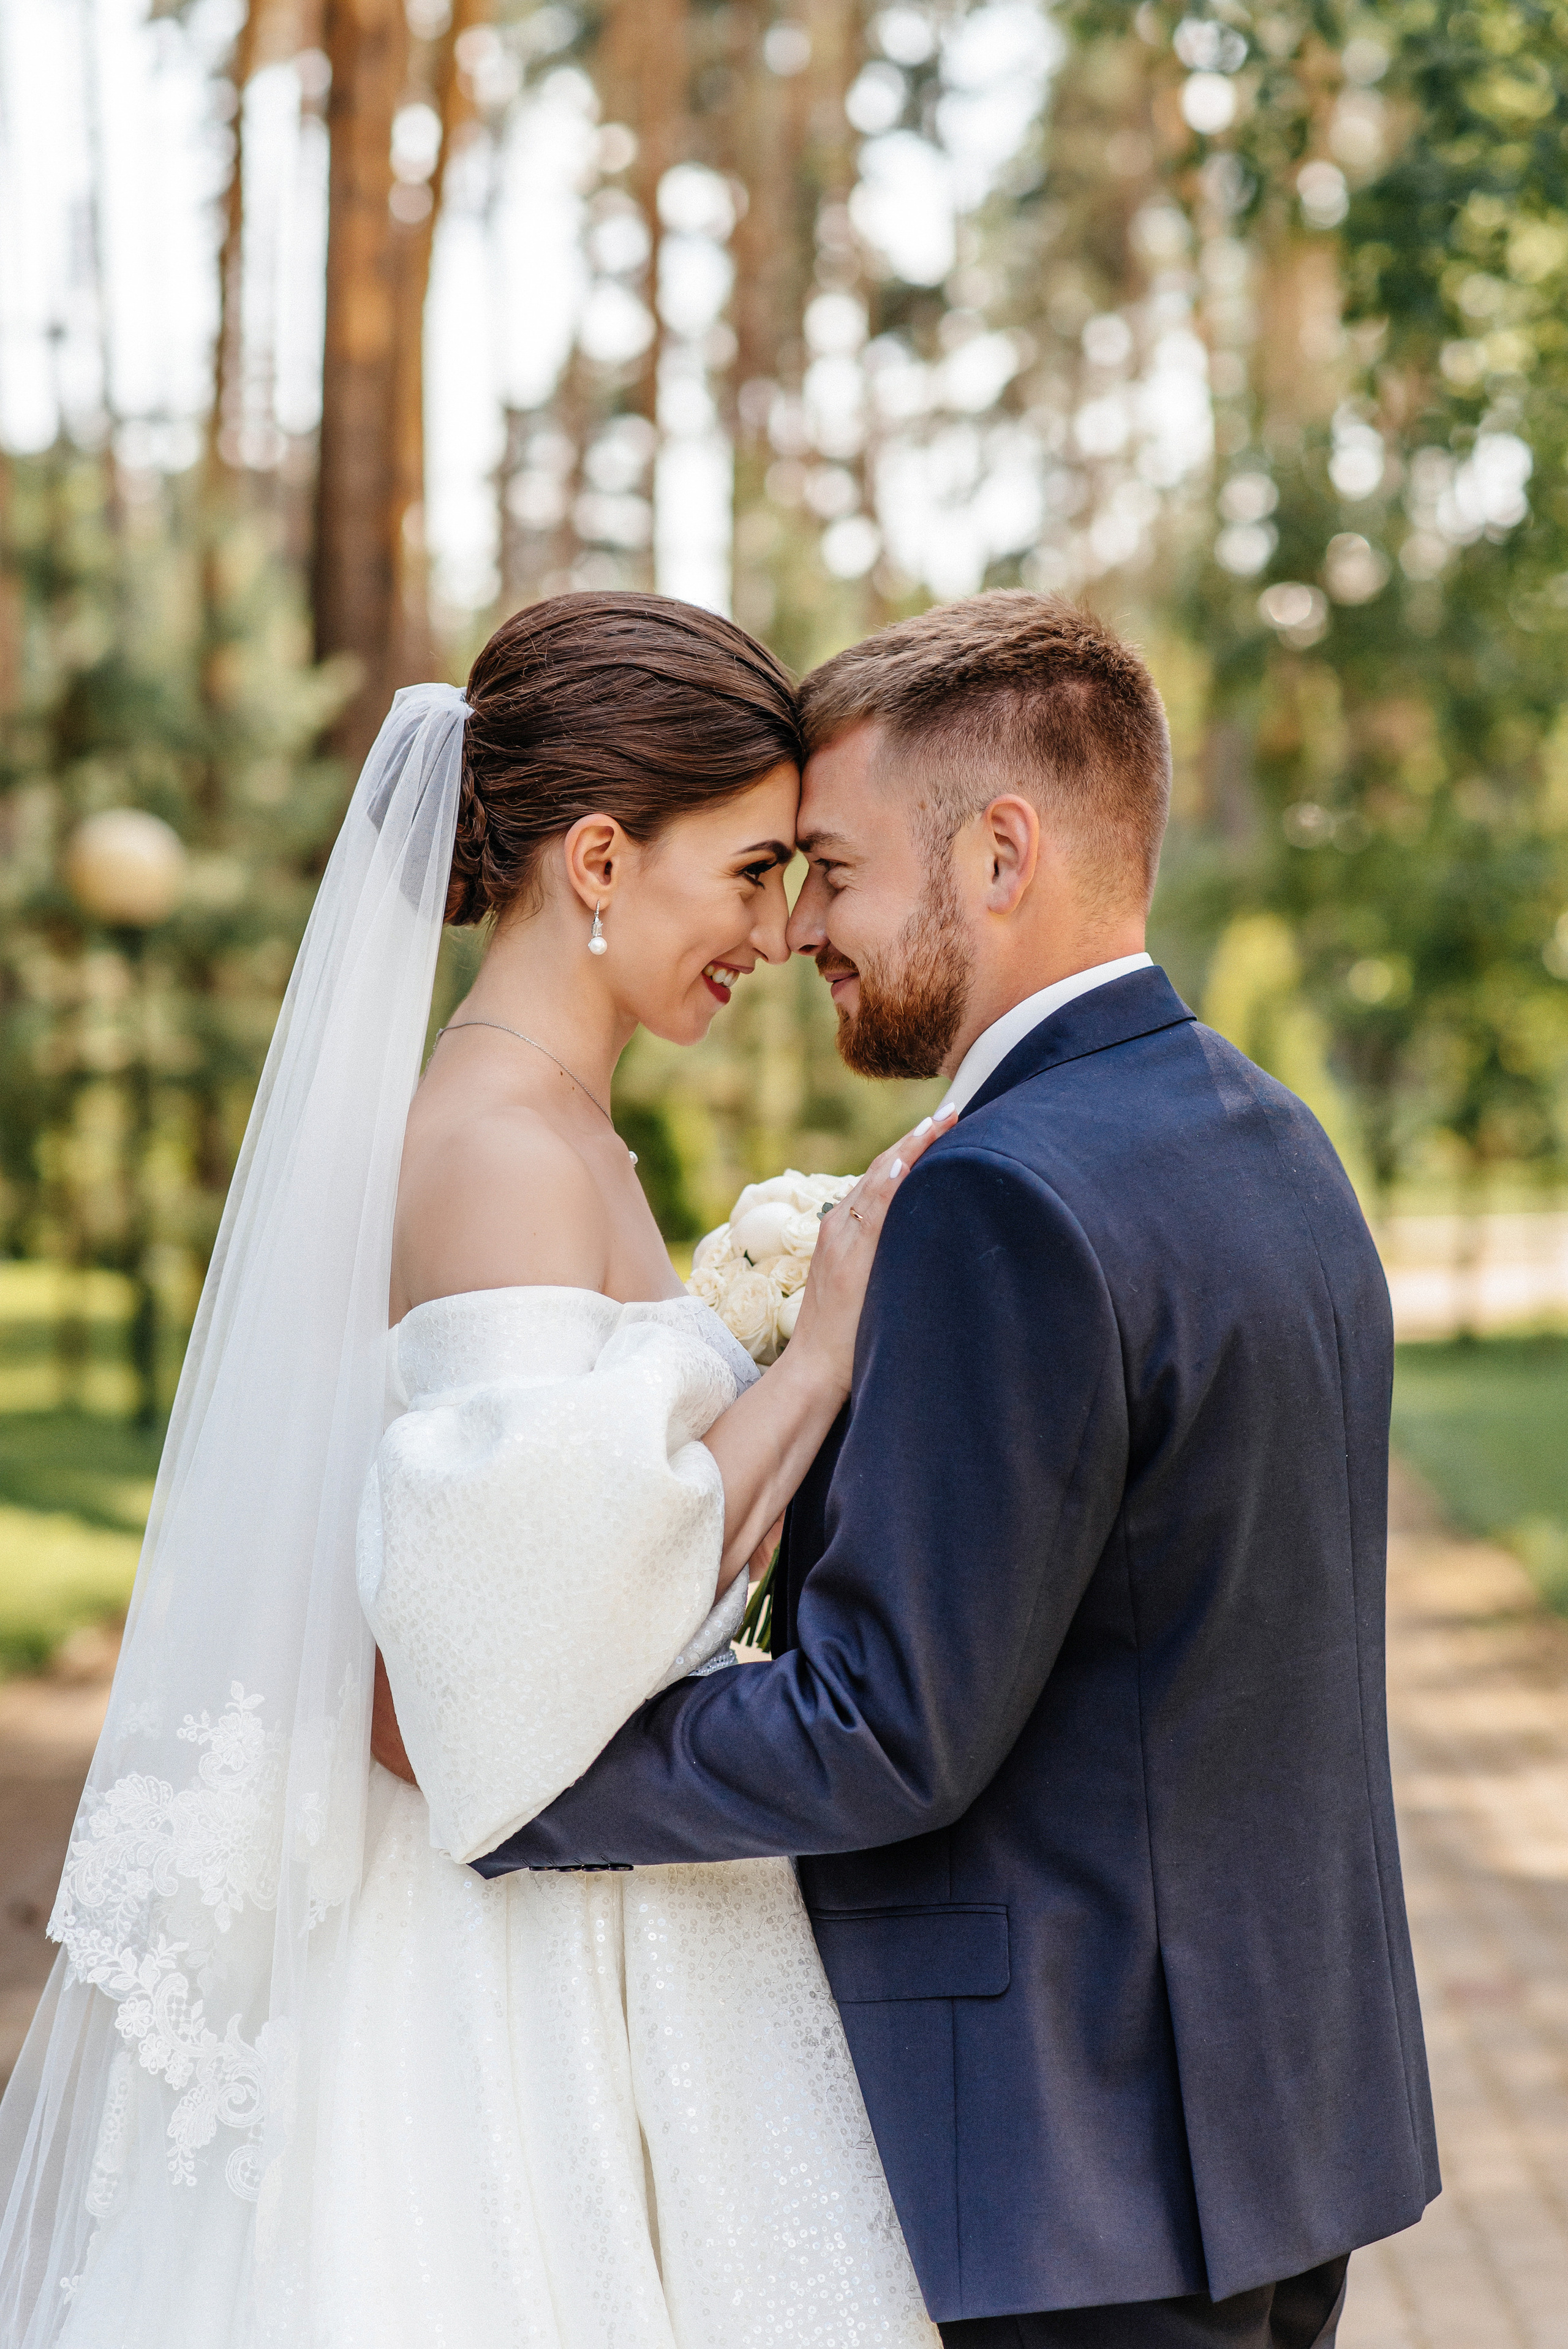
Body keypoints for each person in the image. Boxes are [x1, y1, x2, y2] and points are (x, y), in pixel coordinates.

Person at [442, 592, 1441, 2349]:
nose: (804, 923)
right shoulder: (1269, 1138)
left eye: (831, 865)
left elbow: (881, 1723)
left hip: (1071, 2168)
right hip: (1282, 2127)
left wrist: (517, 1764)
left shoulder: (1004, 1193)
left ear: (1000, 853)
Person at [0, 593, 944, 2349]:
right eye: (748, 870)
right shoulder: (505, 1149)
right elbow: (498, 1656)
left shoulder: (553, 1124)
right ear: (598, 856)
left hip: (605, 1897)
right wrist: (812, 1355)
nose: (777, 926)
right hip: (505, 1976)